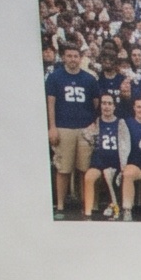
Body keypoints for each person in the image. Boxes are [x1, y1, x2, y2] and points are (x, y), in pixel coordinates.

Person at [45, 43, 101, 217]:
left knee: (84, 169)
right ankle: (60, 205)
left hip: (84, 128)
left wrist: (93, 124)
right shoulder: (55, 78)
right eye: (69, 56)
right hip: (64, 127)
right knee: (63, 169)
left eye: (75, 56)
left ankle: (86, 205)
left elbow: (96, 104)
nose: (72, 59)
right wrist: (52, 127)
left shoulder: (89, 79)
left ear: (80, 58)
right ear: (63, 57)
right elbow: (51, 104)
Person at [79, 92, 129, 221]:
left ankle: (115, 206)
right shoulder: (96, 122)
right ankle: (88, 213)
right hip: (99, 161)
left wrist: (123, 165)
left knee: (112, 177)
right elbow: (86, 135)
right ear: (100, 105)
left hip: (116, 162)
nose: (106, 106)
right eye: (104, 103)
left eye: (109, 103)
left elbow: (125, 144)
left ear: (114, 106)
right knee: (89, 177)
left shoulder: (120, 123)